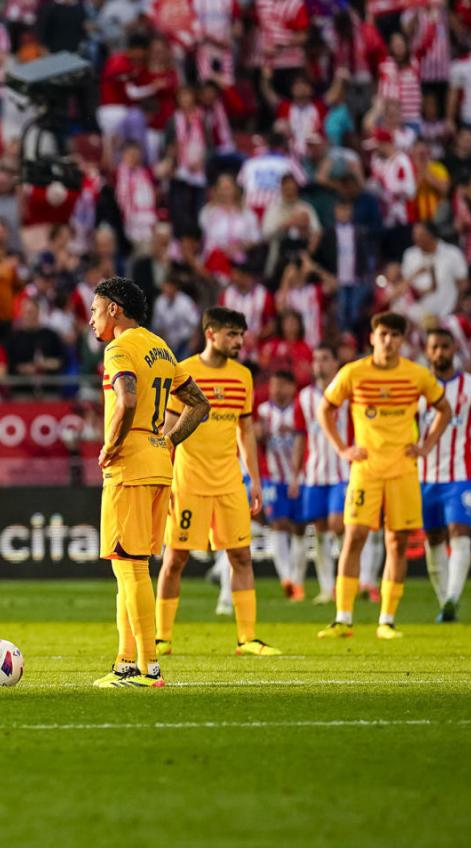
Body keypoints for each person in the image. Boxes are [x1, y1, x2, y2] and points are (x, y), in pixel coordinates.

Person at [89, 277, 210, 688]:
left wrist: (112, 443)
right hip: (159, 463)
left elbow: (125, 398)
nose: (91, 319)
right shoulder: (160, 347)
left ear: (114, 309)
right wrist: (168, 440)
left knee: (131, 569)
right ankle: (125, 663)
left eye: (94, 309)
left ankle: (147, 667)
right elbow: (200, 405)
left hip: (130, 467)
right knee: (130, 567)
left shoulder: (119, 349)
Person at [317, 312, 453, 640]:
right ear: (372, 337)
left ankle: (387, 621)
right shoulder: (353, 373)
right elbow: (325, 409)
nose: (388, 341)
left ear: (402, 340)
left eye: (395, 335)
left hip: (403, 469)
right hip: (366, 468)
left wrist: (425, 446)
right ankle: (343, 618)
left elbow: (444, 409)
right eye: (383, 334)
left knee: (398, 542)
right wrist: (342, 449)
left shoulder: (416, 375)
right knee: (354, 538)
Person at [154, 307, 276, 659]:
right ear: (211, 334)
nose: (239, 342)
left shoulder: (243, 376)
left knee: (241, 555)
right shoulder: (186, 372)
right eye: (232, 335)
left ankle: (247, 638)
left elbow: (246, 430)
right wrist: (165, 479)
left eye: (241, 335)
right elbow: (170, 431)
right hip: (188, 482)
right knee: (175, 559)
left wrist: (254, 479)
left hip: (229, 482)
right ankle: (162, 638)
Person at [418, 328, 471, 623]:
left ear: (454, 349)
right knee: (434, 538)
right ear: (427, 351)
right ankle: (445, 604)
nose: (440, 352)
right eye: (434, 347)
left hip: (460, 475)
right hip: (423, 477)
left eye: (445, 346)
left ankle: (452, 598)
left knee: (460, 533)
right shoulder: (415, 386)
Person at [295, 345, 350, 605]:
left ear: (335, 362)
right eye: (315, 359)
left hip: (342, 471)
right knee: (319, 531)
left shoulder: (348, 395)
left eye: (325, 358)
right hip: (314, 474)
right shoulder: (304, 397)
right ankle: (327, 587)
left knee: (339, 525)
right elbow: (300, 438)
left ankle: (348, 580)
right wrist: (296, 474)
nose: (319, 364)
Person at [256, 370, 307, 601]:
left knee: (299, 528)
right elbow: (254, 437)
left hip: (300, 477)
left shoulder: (299, 409)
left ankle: (297, 580)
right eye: (274, 384)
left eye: (282, 385)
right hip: (273, 478)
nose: (276, 390)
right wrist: (260, 434)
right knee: (278, 524)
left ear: (292, 387)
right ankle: (286, 579)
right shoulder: (264, 412)